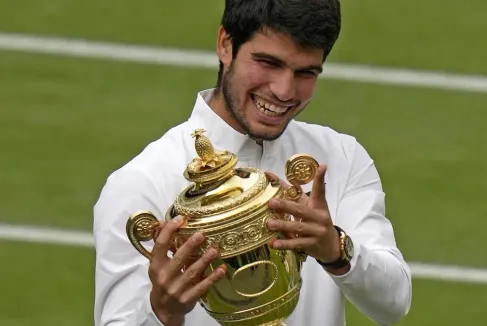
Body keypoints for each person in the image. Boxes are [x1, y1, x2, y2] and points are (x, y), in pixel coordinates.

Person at [93, 0, 412, 325]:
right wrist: (162, 314)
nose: (284, 91)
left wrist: (337, 251)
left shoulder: (340, 157)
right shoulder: (140, 183)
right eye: (268, 63)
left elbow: (394, 303)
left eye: (305, 72)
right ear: (226, 45)